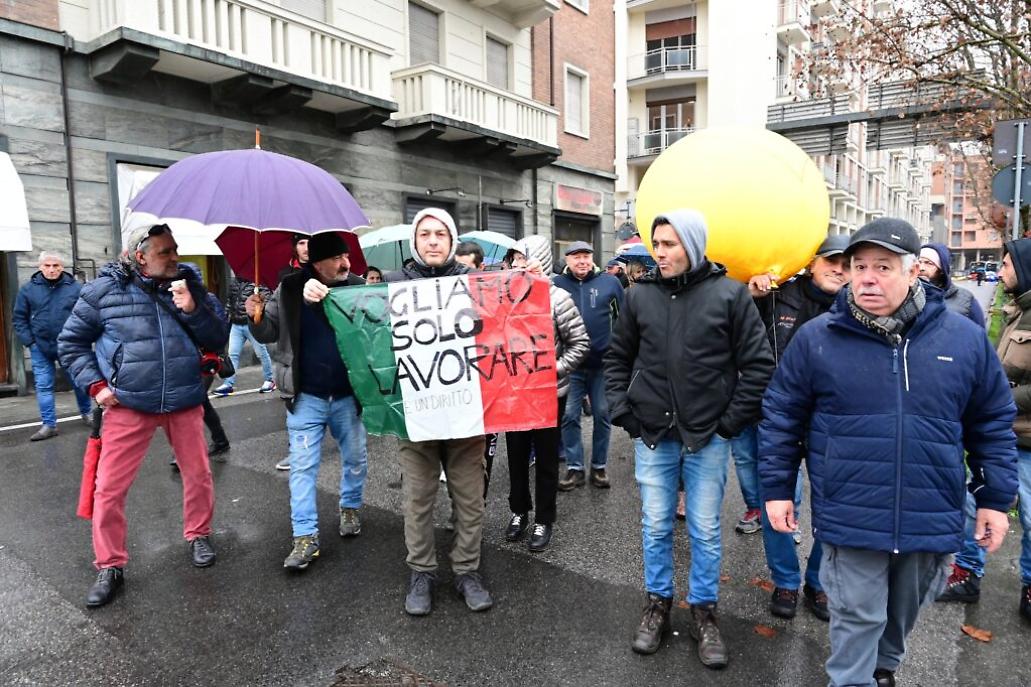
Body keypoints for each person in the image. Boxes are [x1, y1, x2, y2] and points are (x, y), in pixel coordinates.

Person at [759, 218, 1018, 687]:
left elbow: (992, 422)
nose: (867, 278)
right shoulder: (817, 339)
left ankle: (884, 670)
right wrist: (777, 490)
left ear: (914, 271)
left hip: (929, 511)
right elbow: (781, 416)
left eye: (882, 267)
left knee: (900, 616)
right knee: (858, 617)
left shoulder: (962, 340)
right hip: (852, 511)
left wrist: (994, 499)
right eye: (859, 267)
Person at [606, 209, 775, 669]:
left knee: (704, 529)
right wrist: (624, 413)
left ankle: (704, 612)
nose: (660, 253)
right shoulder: (639, 296)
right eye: (657, 244)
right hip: (652, 433)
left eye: (670, 244)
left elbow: (758, 365)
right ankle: (657, 604)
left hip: (708, 436)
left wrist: (728, 423)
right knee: (656, 525)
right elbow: (617, 358)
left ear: (694, 245)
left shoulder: (730, 295)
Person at [58, 224, 230, 608]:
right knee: (109, 488)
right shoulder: (103, 291)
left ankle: (199, 534)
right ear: (141, 256)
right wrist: (97, 387)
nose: (175, 257)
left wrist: (194, 308)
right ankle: (110, 565)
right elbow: (71, 343)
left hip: (184, 398)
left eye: (175, 249)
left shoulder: (189, 283)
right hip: (128, 404)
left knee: (198, 475)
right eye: (165, 251)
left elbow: (218, 337)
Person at [734, 234, 850, 621]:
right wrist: (752, 297)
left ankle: (818, 582)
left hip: (831, 422)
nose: (839, 270)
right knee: (777, 500)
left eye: (847, 265)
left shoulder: (858, 308)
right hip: (778, 417)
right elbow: (737, 333)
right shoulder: (776, 294)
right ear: (811, 262)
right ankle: (785, 580)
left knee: (834, 507)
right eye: (831, 261)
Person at [384, 207, 493, 616]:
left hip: (466, 416)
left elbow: (509, 313)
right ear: (415, 241)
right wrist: (318, 291)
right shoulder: (392, 284)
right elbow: (359, 318)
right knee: (418, 500)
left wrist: (532, 278)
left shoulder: (474, 283)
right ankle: (422, 572)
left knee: (470, 500)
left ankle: (467, 570)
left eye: (441, 234)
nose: (432, 240)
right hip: (417, 417)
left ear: (451, 240)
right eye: (425, 233)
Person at [246, 232, 369, 571]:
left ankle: (350, 507)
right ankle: (305, 536)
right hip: (306, 397)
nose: (345, 263)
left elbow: (375, 328)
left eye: (346, 256)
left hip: (348, 395)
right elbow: (268, 332)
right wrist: (255, 316)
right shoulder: (288, 288)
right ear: (316, 263)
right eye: (336, 258)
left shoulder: (357, 286)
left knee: (356, 458)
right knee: (302, 467)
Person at [937, 238, 1031, 622]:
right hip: (1002, 434)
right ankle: (967, 573)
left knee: (1030, 519)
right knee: (974, 504)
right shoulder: (1015, 313)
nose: (1001, 271)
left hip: (1026, 439)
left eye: (1006, 265)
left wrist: (998, 399)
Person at [503, 235, 589, 552]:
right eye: (513, 259)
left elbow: (580, 343)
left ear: (538, 259)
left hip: (548, 393)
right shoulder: (504, 296)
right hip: (513, 392)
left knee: (547, 458)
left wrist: (553, 371)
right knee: (516, 456)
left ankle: (544, 518)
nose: (517, 265)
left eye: (522, 258)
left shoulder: (558, 298)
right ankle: (518, 511)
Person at [554, 241, 624, 490]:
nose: (582, 261)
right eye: (576, 257)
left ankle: (599, 467)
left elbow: (624, 318)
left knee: (603, 414)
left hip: (602, 364)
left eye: (586, 256)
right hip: (570, 365)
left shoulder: (610, 283)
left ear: (592, 258)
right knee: (569, 415)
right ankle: (575, 468)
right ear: (567, 260)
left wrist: (619, 352)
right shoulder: (556, 284)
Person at [13, 250, 92, 440]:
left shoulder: (76, 289)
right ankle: (49, 425)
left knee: (79, 382)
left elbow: (87, 315)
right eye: (47, 266)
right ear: (40, 267)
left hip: (70, 346)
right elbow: (19, 318)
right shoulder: (28, 290)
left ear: (62, 267)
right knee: (44, 386)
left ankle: (87, 413)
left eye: (55, 265)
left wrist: (81, 338)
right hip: (40, 347)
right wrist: (30, 342)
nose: (51, 269)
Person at [273, 235, 310, 472]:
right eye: (301, 243)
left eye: (309, 242)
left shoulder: (324, 272)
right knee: (294, 404)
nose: (306, 247)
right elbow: (272, 322)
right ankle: (296, 450)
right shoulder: (284, 276)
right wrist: (256, 316)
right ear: (295, 248)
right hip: (292, 350)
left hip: (317, 347)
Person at [213, 276, 276, 396]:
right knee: (233, 354)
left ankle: (269, 380)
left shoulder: (258, 281)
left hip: (251, 324)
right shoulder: (235, 282)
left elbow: (267, 300)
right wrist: (225, 319)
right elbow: (229, 302)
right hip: (236, 324)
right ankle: (228, 383)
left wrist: (259, 307)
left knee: (261, 353)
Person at [917, 243, 985, 325]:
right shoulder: (906, 295)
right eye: (919, 262)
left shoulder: (966, 300)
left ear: (942, 270)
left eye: (929, 263)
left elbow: (979, 331)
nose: (921, 268)